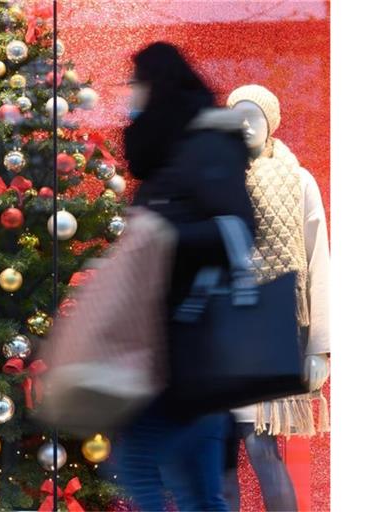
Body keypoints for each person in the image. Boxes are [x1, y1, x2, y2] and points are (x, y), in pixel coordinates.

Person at [117, 41, 254, 511]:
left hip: (184, 345)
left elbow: (236, 229)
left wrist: (160, 232)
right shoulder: (177, 150)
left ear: (156, 85)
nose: (130, 95)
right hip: (176, 348)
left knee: (135, 462)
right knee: (198, 490)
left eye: (136, 83)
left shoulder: (204, 148)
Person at [222, 84, 330, 511]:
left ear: (271, 125)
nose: (245, 124)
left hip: (268, 336)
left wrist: (320, 348)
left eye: (255, 116)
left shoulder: (297, 181)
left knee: (263, 450)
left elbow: (316, 257)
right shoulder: (211, 182)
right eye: (238, 116)